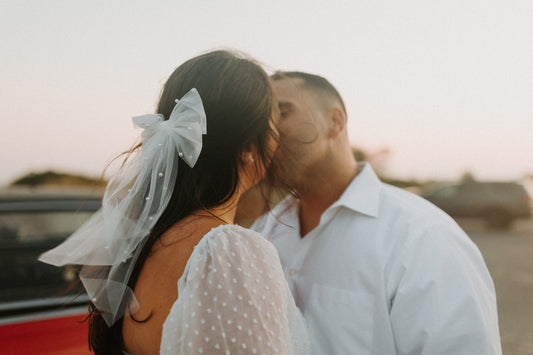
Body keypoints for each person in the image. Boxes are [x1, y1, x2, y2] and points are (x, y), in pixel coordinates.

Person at [39, 51, 309, 355]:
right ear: (248, 146)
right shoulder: (229, 251)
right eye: (276, 121)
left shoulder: (144, 244)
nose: (279, 138)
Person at [246, 71, 502, 354]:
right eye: (259, 123)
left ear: (335, 122)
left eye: (282, 113)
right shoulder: (262, 232)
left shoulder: (422, 237)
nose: (265, 134)